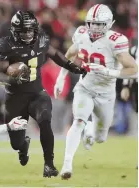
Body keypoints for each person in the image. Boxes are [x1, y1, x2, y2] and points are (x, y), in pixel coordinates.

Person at [0, 10, 86, 177]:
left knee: (45, 121)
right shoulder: (6, 45)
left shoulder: (41, 39)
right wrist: (15, 79)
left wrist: (72, 67)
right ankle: (23, 146)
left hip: (37, 93)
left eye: (30, 30)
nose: (28, 34)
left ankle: (49, 165)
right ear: (15, 30)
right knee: (16, 142)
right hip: (15, 97)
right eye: (24, 30)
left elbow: (55, 54)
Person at [54, 4, 137, 180]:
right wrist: (61, 77)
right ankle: (67, 163)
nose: (94, 28)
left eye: (99, 24)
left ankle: (90, 127)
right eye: (92, 23)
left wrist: (108, 72)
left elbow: (134, 70)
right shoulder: (82, 34)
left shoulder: (115, 40)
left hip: (106, 94)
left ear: (109, 24)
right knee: (78, 120)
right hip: (85, 87)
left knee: (100, 138)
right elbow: (70, 53)